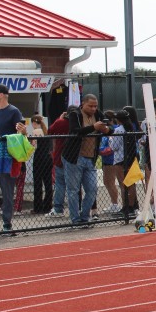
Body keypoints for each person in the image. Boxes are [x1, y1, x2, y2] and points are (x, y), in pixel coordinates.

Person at [0, 84, 27, 236]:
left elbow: (21, 132)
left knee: (7, 191)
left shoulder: (14, 111)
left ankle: (7, 223)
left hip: (6, 157)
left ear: (1, 95)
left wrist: (24, 131)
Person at [62, 95, 111, 226]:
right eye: (90, 106)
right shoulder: (75, 114)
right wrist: (94, 127)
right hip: (74, 157)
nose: (93, 108)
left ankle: (85, 216)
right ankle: (75, 219)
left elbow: (110, 128)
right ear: (83, 104)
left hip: (90, 158)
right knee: (73, 190)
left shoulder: (98, 115)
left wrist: (106, 129)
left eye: (95, 106)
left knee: (92, 189)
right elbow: (75, 131)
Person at [46, 110, 70, 218]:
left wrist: (60, 119)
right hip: (74, 157)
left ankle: (58, 208)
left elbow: (50, 131)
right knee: (74, 185)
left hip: (60, 156)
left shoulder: (61, 122)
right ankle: (77, 208)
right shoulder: (78, 123)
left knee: (60, 183)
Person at [29, 115, 53, 214]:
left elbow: (33, 146)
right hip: (48, 157)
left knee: (38, 183)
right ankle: (48, 206)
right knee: (48, 182)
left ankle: (38, 207)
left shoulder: (35, 131)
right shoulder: (46, 131)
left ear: (34, 123)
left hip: (39, 157)